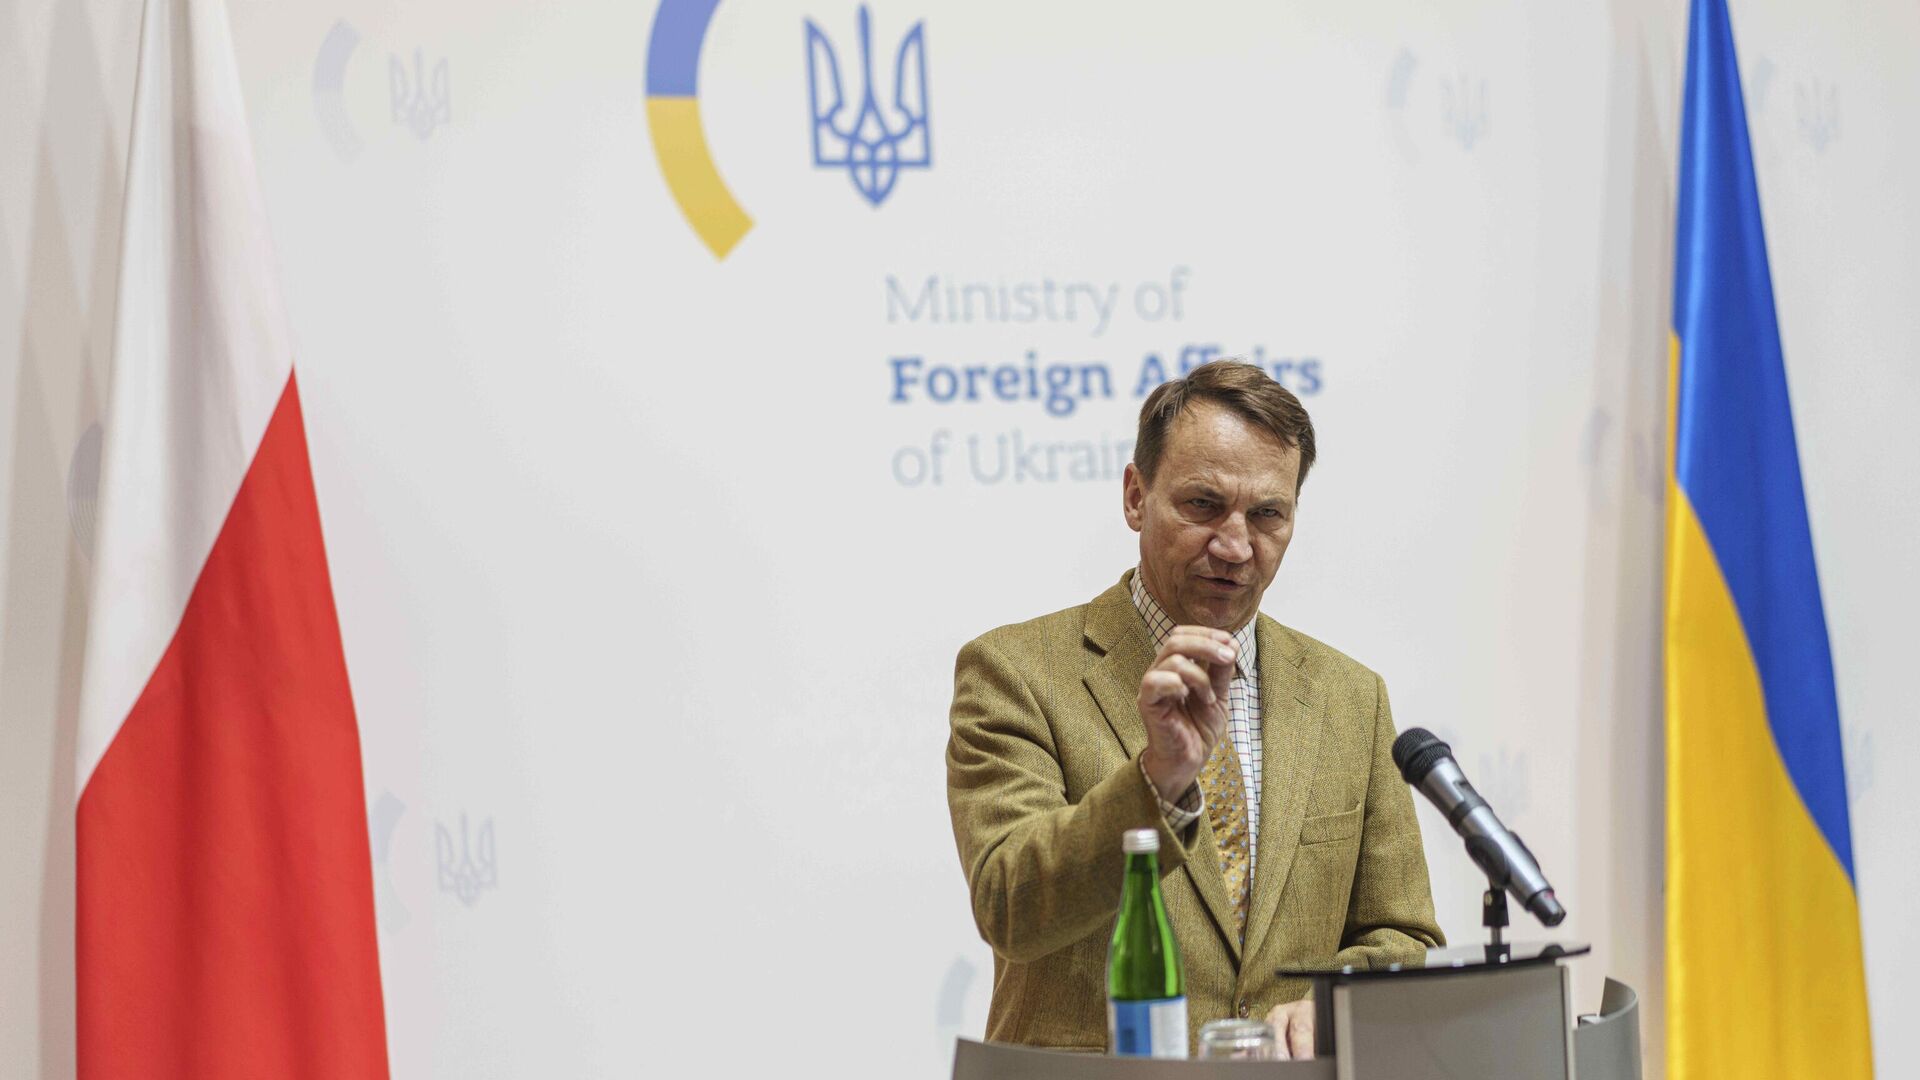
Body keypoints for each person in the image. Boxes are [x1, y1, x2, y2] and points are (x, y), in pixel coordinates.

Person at [945, 360, 1442, 1058]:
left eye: (1267, 514)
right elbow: (1011, 906)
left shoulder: (1350, 697)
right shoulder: (1015, 672)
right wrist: (1158, 778)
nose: (1235, 546)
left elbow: (1402, 934)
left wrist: (1332, 1005)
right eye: (1204, 505)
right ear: (1135, 497)